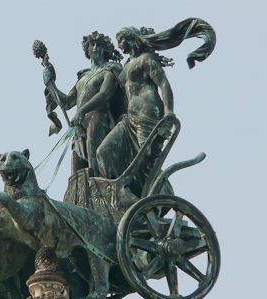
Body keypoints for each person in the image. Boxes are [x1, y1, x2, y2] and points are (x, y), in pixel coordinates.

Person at [97, 20, 216, 197]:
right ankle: (122, 193)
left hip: (149, 114)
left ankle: (163, 194)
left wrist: (169, 112)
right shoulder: (127, 65)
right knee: (104, 151)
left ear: (130, 39)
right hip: (129, 119)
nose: (119, 45)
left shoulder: (147, 59)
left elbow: (164, 85)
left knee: (146, 160)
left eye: (121, 40)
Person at [43, 31, 125, 176]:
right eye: (91, 45)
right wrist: (51, 84)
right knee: (77, 167)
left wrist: (82, 111)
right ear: (86, 49)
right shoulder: (82, 78)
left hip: (98, 119)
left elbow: (105, 94)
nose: (95, 48)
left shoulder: (109, 70)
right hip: (79, 125)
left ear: (105, 49)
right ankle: (78, 196)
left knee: (94, 162)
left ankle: (100, 192)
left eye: (98, 45)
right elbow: (67, 102)